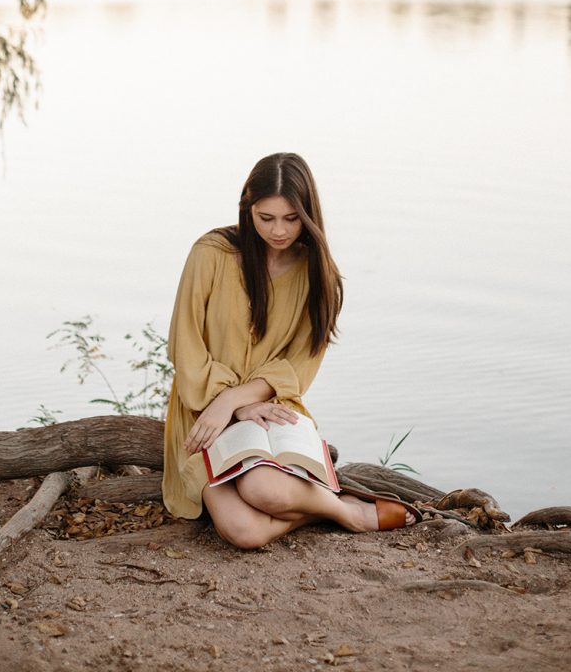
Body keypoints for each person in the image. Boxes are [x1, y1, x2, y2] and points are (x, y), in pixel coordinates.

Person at [162, 152, 417, 549]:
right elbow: (185, 346)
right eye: (266, 218)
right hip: (204, 411)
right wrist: (228, 404)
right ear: (248, 210)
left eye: (291, 219)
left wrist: (238, 400)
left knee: (266, 491)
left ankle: (338, 508)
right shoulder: (210, 254)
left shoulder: (318, 277)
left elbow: (297, 371)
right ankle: (336, 509)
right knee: (244, 531)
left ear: (308, 213)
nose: (278, 231)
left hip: (272, 409)